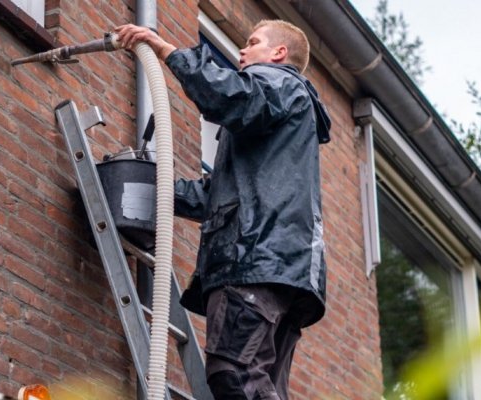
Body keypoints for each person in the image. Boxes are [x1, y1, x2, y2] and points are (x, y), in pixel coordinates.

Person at [114, 20, 332, 400]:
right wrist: (145, 184)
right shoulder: (279, 123)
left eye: (252, 43)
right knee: (259, 383)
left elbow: (231, 96)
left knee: (235, 374)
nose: (242, 53)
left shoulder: (277, 82)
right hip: (281, 271)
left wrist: (167, 51)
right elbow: (214, 198)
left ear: (279, 53)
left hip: (255, 258)